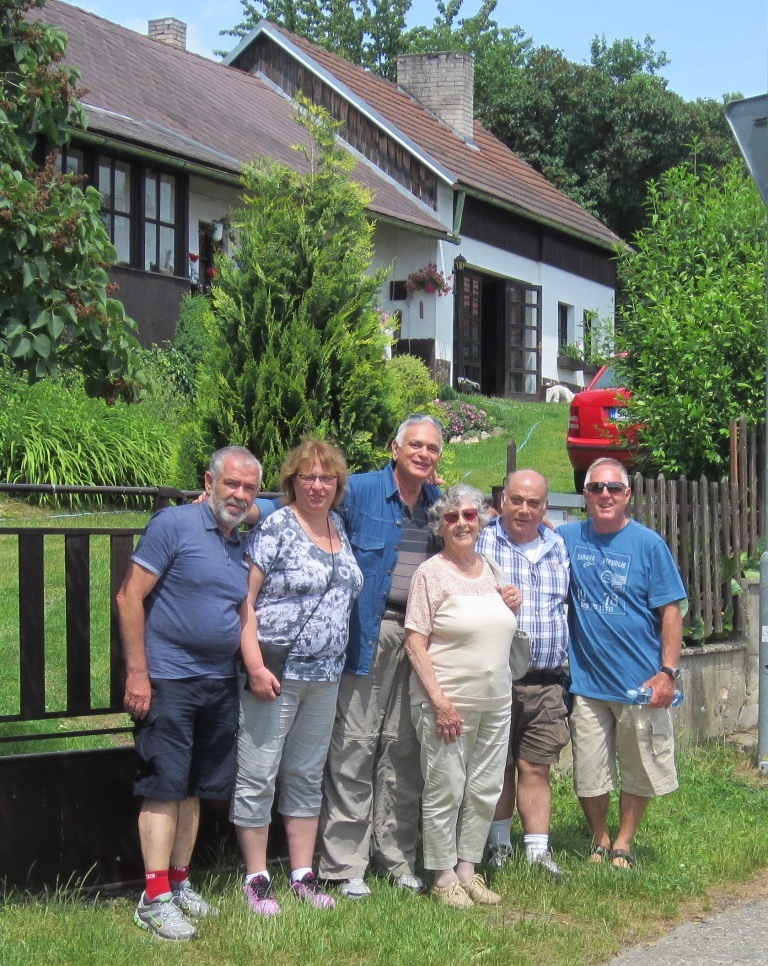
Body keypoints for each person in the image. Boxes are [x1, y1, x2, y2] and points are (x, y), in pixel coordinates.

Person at [116, 445, 262, 941]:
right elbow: (128, 595)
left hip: (218, 681)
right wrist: (138, 672)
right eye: (231, 484)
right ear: (209, 481)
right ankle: (153, 897)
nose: (239, 495)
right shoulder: (173, 525)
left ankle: (179, 883)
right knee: (164, 786)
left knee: (196, 787)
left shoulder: (237, 542)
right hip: (169, 680)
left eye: (249, 488)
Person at [231, 439, 363, 915]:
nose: (316, 484)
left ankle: (303, 874)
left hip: (325, 677)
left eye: (326, 477)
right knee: (259, 773)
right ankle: (256, 877)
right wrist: (255, 666)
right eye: (307, 476)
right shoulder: (276, 525)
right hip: (276, 673)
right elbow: (244, 601)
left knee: (306, 776)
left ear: (337, 484)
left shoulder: (340, 527)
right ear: (292, 481)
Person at [317, 414, 443, 898]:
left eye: (432, 448)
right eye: (415, 445)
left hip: (420, 640)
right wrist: (248, 511)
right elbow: (306, 510)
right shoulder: (361, 491)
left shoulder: (438, 504)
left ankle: (395, 858)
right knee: (355, 744)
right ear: (395, 448)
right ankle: (345, 866)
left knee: (403, 749)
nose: (423, 454)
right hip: (369, 632)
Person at [558, 457, 686, 869]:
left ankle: (624, 843)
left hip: (640, 684)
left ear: (627, 495)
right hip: (588, 684)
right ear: (585, 495)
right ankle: (599, 837)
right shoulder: (565, 538)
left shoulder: (649, 545)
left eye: (613, 488)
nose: (605, 495)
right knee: (589, 771)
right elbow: (517, 535)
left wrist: (667, 673)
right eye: (596, 488)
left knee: (639, 768)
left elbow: (671, 611)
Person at [404, 484, 520, 908]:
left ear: (482, 519)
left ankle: (469, 870)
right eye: (451, 518)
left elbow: (498, 624)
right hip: (448, 703)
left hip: (496, 700)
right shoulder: (430, 573)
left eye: (469, 516)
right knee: (446, 787)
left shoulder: (490, 568)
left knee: (485, 787)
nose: (461, 524)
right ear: (440, 525)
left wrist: (513, 602)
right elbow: (415, 641)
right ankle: (442, 875)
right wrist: (439, 701)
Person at [476, 469, 570, 879]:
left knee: (536, 766)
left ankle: (537, 853)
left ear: (545, 508)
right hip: (495, 677)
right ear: (502, 501)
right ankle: (498, 846)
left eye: (534, 503)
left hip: (547, 680)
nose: (525, 510)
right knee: (497, 766)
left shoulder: (559, 545)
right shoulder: (480, 541)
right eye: (517, 500)